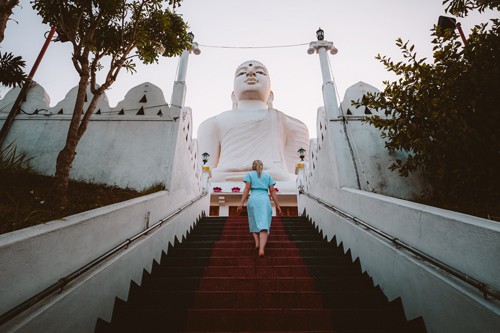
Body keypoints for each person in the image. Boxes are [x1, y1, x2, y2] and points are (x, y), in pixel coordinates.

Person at [197, 60, 309, 182]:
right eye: (242, 73)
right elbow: (203, 172)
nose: (250, 73)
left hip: (275, 177)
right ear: (233, 96)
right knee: (209, 178)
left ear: (270, 95)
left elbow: (302, 175)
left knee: (288, 179)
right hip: (224, 177)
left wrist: (283, 175)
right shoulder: (212, 123)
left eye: (260, 72)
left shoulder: (288, 122)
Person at [237, 160, 282, 257]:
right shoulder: (268, 176)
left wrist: (241, 203)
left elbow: (247, 188)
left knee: (253, 221)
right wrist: (277, 205)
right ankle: (261, 249)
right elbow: (272, 191)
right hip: (264, 200)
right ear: (262, 166)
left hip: (253, 199)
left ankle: (257, 242)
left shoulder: (249, 175)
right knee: (264, 224)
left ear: (253, 166)